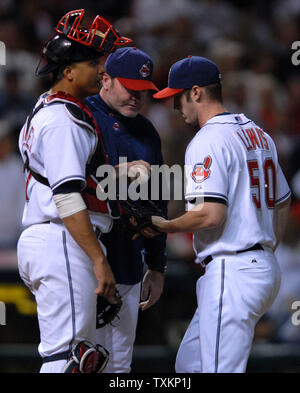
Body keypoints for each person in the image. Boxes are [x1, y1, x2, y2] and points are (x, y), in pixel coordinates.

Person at [152, 56, 291, 373]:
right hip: (261, 267)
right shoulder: (258, 133)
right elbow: (282, 202)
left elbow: (210, 215)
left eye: (178, 96)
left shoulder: (208, 139)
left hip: (234, 269)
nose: (175, 105)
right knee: (189, 365)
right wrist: (265, 246)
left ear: (196, 92)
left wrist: (163, 225)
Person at [17, 9, 136, 373]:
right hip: (63, 240)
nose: (102, 70)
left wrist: (120, 172)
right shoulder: (62, 120)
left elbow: (70, 178)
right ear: (68, 71)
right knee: (68, 360)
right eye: (93, 62)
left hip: (62, 240)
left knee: (89, 361)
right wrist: (99, 261)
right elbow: (67, 197)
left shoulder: (54, 109)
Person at [86, 47, 167, 373]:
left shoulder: (146, 130)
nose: (137, 96)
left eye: (143, 91)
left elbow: (158, 201)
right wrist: (119, 174)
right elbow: (68, 183)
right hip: (83, 262)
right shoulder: (81, 115)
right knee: (76, 361)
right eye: (129, 87)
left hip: (129, 264)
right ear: (105, 79)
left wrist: (157, 265)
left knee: (119, 367)